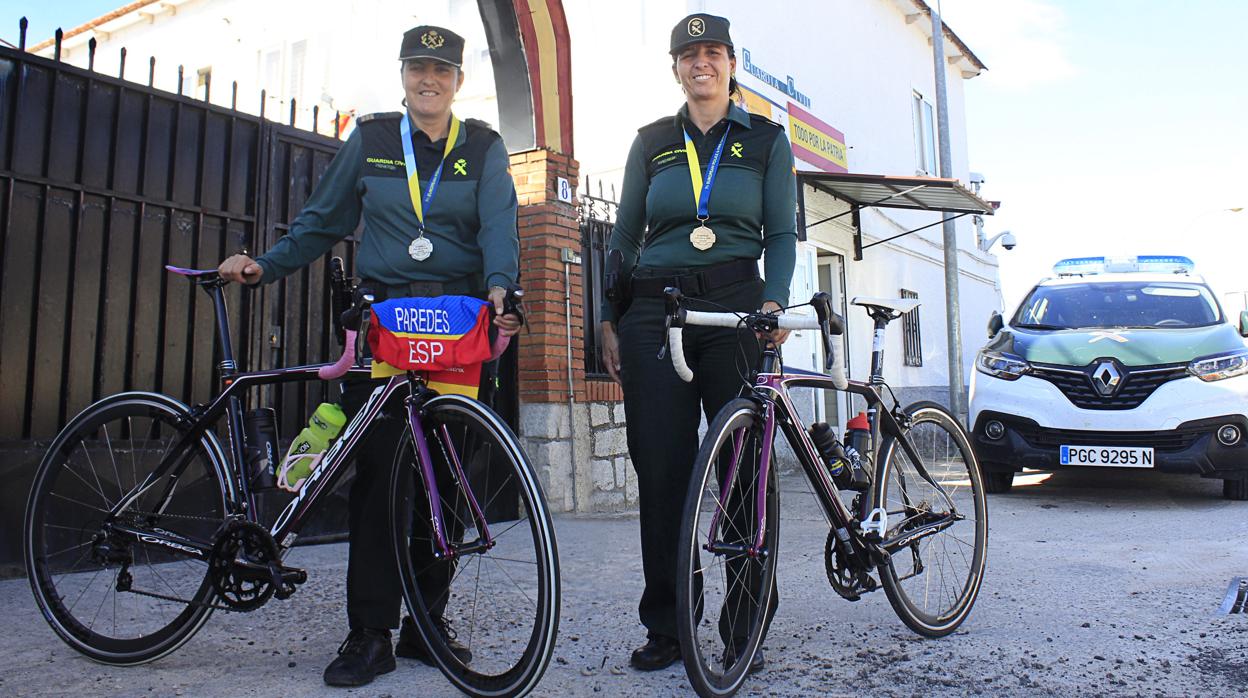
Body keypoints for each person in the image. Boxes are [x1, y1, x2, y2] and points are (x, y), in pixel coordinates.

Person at [218, 25, 522, 688]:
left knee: (444, 484)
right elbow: (322, 220)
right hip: (387, 324)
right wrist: (264, 267)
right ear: (404, 73)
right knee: (382, 481)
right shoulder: (374, 139)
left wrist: (501, 288)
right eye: (418, 67)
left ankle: (426, 625)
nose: (429, 80)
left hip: (460, 327)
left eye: (441, 70)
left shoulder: (484, 147)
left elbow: (501, 223)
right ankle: (371, 632)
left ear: (458, 81)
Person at [598, 13, 797, 673]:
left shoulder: (766, 140)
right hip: (656, 311)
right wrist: (609, 315)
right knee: (661, 473)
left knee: (744, 471)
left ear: (731, 63)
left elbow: (779, 235)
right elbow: (625, 235)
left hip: (738, 308)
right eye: (688, 54)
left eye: (712, 53)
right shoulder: (652, 141)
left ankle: (745, 626)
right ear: (676, 67)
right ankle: (669, 625)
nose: (700, 63)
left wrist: (773, 302)